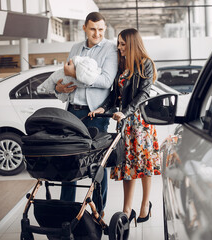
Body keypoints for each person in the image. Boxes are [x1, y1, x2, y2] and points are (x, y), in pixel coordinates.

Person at [88, 28, 161, 226]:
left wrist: (126, 112)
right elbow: (114, 95)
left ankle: (146, 204)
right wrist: (103, 108)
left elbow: (143, 94)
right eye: (118, 43)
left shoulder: (146, 64)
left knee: (144, 165)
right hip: (125, 123)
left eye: (122, 44)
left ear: (132, 44)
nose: (119, 47)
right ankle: (127, 209)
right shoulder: (122, 66)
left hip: (141, 123)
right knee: (127, 166)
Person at [54, 12, 118, 215]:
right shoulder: (75, 48)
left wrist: (76, 74)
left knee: (97, 164)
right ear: (84, 28)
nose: (97, 33)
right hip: (72, 111)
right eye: (92, 29)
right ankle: (66, 209)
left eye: (100, 29)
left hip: (95, 115)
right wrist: (60, 88)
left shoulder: (110, 49)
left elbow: (106, 81)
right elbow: (66, 76)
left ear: (104, 29)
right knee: (69, 161)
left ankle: (99, 211)